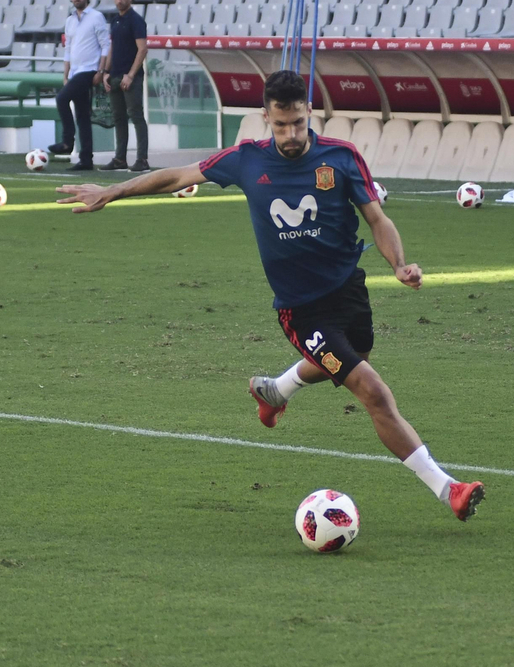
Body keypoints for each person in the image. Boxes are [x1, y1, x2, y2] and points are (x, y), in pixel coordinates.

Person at [55, 69, 485, 522]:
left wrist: (399, 264)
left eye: (298, 122)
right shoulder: (246, 160)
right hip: (301, 310)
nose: (291, 134)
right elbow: (178, 176)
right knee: (372, 390)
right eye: (281, 125)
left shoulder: (341, 157)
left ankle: (276, 391)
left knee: (356, 352)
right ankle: (448, 489)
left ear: (309, 113)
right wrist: (114, 190)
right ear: (266, 118)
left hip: (348, 289)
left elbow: (376, 217)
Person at [51, 0, 109, 173]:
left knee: (61, 99)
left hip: (89, 70)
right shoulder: (70, 21)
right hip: (75, 71)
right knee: (82, 116)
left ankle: (68, 141)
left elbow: (105, 45)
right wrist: (65, 74)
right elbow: (68, 49)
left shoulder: (96, 17)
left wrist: (101, 71)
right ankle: (86, 159)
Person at [103, 0, 149, 172]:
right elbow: (113, 47)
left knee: (136, 116)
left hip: (131, 77)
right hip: (114, 75)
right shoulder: (115, 21)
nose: (119, 0)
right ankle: (120, 158)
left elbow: (142, 49)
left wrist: (130, 75)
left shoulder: (135, 20)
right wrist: (106, 71)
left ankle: (142, 159)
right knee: (118, 118)